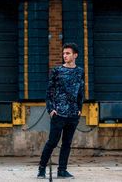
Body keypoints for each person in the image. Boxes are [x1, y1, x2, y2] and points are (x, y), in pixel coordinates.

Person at [37, 42, 85, 179]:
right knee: (52, 142)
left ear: (75, 55)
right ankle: (41, 169)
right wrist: (51, 109)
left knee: (67, 144)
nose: (65, 56)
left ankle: (62, 170)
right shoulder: (57, 71)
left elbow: (81, 92)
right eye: (64, 53)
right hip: (59, 113)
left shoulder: (80, 72)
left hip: (73, 114)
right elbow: (49, 92)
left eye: (68, 53)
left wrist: (79, 109)